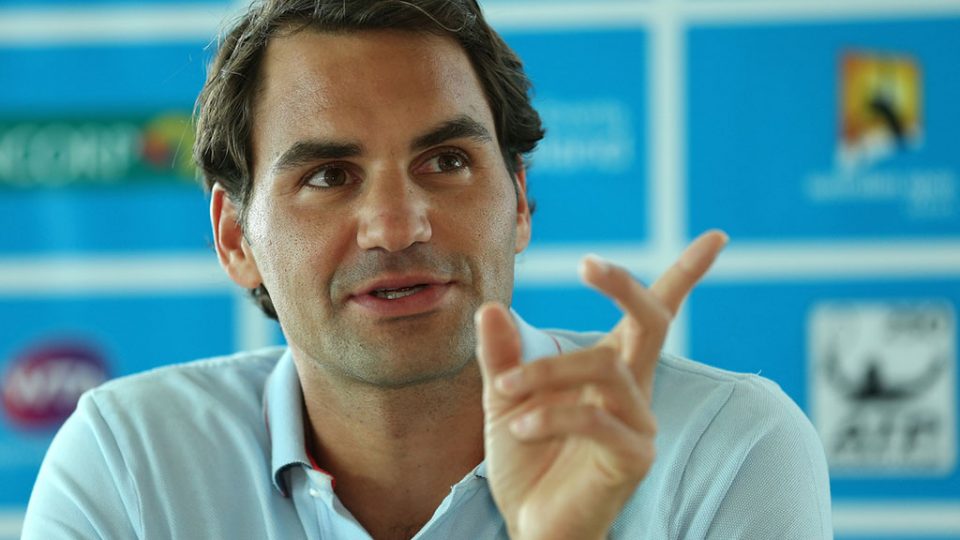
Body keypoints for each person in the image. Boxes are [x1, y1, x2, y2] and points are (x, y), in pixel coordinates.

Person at [22, 0, 833, 538]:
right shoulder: (129, 461)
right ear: (235, 237)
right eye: (328, 176)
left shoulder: (723, 447)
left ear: (519, 201)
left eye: (446, 161)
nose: (398, 224)